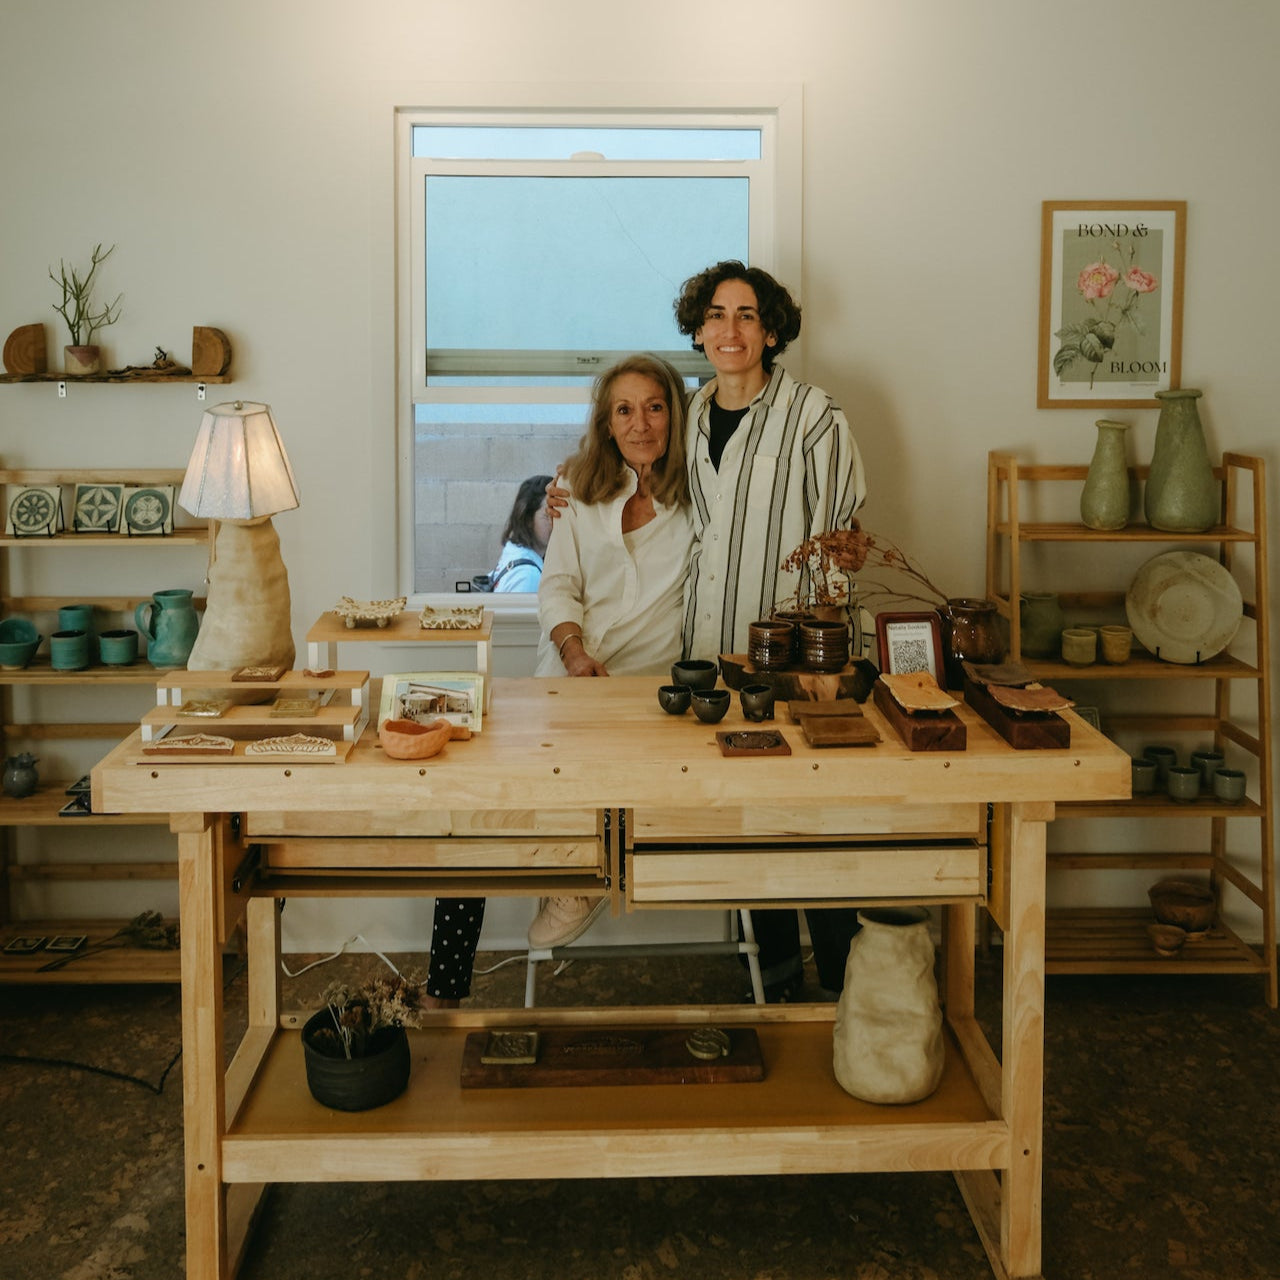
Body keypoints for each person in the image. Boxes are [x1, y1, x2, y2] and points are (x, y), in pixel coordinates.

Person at [547, 261, 868, 998]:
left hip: (790, 654)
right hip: (706, 661)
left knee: (807, 823)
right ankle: (784, 990)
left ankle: (851, 991)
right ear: (698, 329)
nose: (731, 330)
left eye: (747, 315)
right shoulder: (684, 415)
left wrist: (832, 630)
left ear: (772, 329)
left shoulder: (814, 414)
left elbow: (843, 530)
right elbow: (623, 454)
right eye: (716, 315)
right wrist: (561, 484)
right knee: (752, 823)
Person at [527, 353, 693, 948]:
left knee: (620, 758)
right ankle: (569, 872)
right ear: (605, 422)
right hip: (573, 666)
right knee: (515, 775)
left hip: (653, 680)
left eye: (654, 408)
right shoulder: (576, 487)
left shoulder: (703, 493)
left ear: (675, 416)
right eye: (624, 410)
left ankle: (583, 877)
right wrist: (573, 652)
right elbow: (558, 583)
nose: (640, 424)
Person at [422, 476, 549, 1008]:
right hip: (528, 723)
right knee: (469, 838)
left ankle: (445, 988)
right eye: (551, 511)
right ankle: (445, 987)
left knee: (468, 840)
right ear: (529, 514)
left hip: (532, 723)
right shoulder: (528, 576)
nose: (558, 521)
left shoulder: (522, 561)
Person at [487, 474, 554, 592]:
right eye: (547, 516)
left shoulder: (514, 553)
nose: (554, 523)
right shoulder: (528, 576)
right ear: (527, 519)